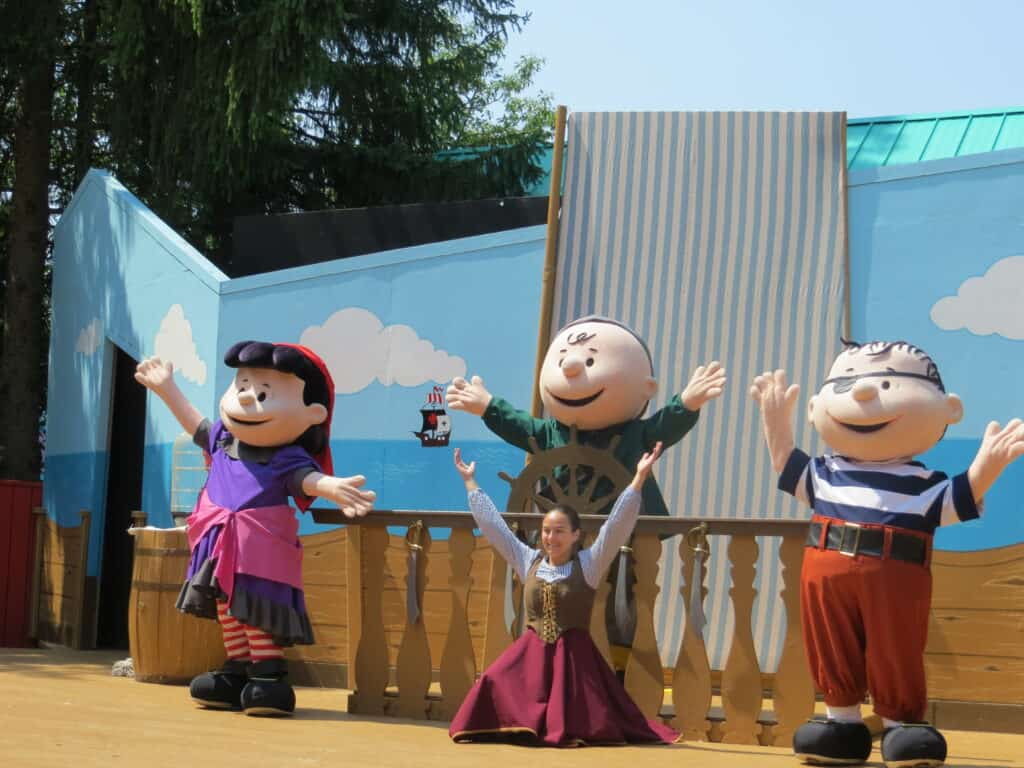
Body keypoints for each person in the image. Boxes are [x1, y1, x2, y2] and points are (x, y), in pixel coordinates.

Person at [751, 340, 1024, 767]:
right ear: (816, 407)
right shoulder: (824, 472)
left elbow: (959, 498)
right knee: (830, 641)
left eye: (884, 383)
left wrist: (986, 466)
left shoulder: (924, 482)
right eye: (848, 383)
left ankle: (902, 724)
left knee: (894, 647)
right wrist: (775, 422)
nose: (862, 394)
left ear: (948, 409)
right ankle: (841, 721)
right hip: (826, 569)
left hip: (897, 576)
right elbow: (786, 465)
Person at [446, 314, 725, 663]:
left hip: (618, 548)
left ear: (647, 387)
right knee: (548, 602)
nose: (573, 367)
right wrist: (489, 406)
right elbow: (519, 425)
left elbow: (662, 427)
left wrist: (685, 405)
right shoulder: (549, 434)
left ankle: (617, 672)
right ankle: (544, 661)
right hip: (557, 548)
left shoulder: (635, 436)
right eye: (563, 360)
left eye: (590, 360)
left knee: (618, 606)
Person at [135, 341, 376, 716]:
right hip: (217, 544)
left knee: (254, 609)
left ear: (313, 413)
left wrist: (332, 486)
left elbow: (306, 478)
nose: (247, 399)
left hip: (258, 551)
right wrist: (167, 387)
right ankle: (238, 669)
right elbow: (193, 422)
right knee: (227, 606)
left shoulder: (285, 456)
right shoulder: (222, 439)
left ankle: (267, 674)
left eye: (263, 393)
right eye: (243, 386)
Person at [448, 442, 679, 746]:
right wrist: (470, 483)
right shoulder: (527, 559)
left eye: (558, 531)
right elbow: (495, 528)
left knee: (580, 717)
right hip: (531, 655)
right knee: (492, 679)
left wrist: (638, 479)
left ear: (575, 535)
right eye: (546, 530)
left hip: (574, 660)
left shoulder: (590, 564)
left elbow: (617, 526)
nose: (550, 537)